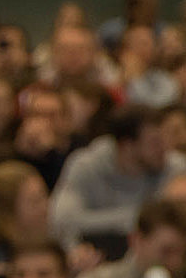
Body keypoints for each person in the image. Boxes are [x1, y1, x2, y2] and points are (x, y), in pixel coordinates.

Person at [49, 104, 177, 250]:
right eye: (155, 143)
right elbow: (62, 221)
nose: (165, 148)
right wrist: (135, 219)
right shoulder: (86, 166)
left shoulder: (174, 167)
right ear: (127, 146)